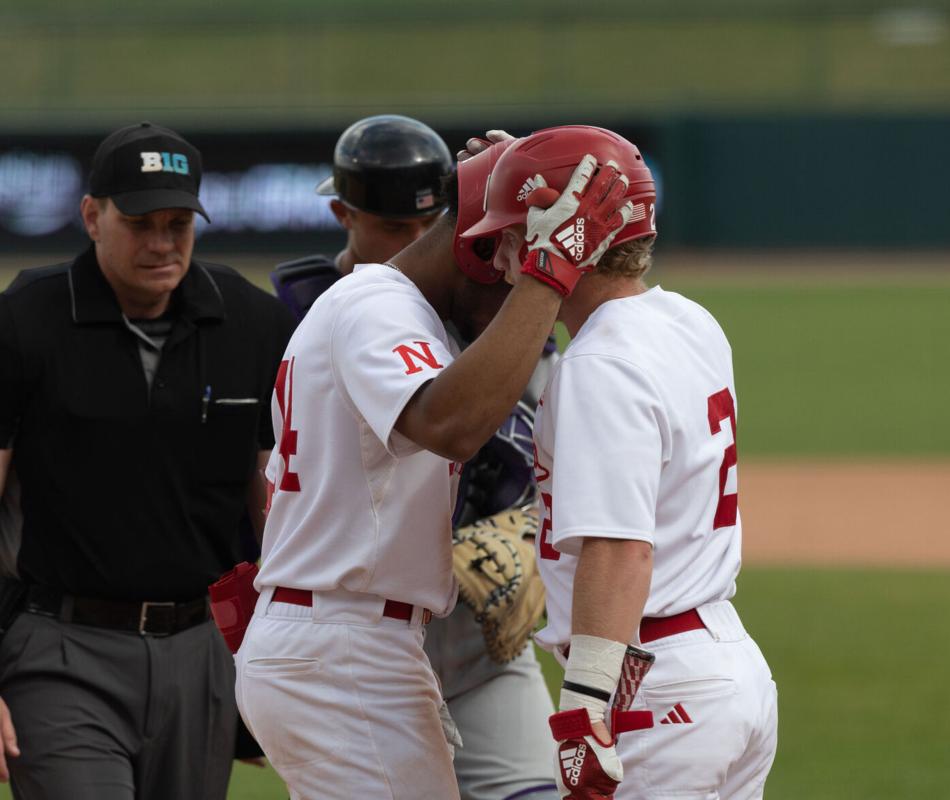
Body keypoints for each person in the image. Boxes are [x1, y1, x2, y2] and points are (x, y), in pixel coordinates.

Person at [235, 131, 633, 798]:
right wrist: (545, 270)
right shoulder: (376, 306)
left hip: (354, 639)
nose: (518, 301)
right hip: (340, 643)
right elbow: (450, 425)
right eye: (508, 271)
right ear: (476, 250)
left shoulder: (391, 309)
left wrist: (513, 181)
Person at [460, 125, 778, 798]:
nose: (503, 253)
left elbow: (618, 548)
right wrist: (531, 172)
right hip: (725, 666)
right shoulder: (688, 321)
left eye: (514, 231)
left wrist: (584, 713)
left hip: (654, 692)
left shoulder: (599, 366)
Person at [0, 122, 295, 798]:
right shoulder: (23, 324)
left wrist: (279, 662)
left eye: (178, 222)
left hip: (202, 654)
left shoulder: (254, 325)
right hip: (59, 650)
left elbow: (274, 503)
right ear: (92, 217)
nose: (163, 243)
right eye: (141, 223)